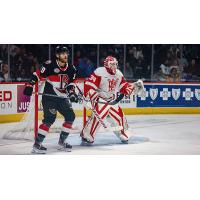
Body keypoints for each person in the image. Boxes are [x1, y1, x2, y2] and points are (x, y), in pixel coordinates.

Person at [23, 46, 79, 154]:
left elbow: (71, 84)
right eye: (63, 54)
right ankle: (37, 145)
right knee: (49, 119)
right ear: (57, 55)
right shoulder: (49, 65)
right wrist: (30, 85)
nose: (65, 55)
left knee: (70, 116)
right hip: (50, 97)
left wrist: (72, 93)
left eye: (66, 53)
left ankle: (62, 142)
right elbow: (36, 75)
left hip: (62, 98)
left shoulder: (72, 68)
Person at [81, 56, 144, 144]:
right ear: (106, 64)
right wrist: (91, 95)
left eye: (115, 64)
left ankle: (123, 133)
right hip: (100, 100)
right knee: (98, 117)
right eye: (112, 64)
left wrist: (132, 87)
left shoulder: (118, 74)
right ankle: (87, 135)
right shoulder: (99, 72)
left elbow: (123, 86)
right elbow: (89, 85)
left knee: (120, 117)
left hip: (112, 100)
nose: (114, 66)